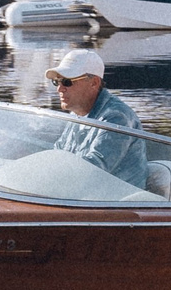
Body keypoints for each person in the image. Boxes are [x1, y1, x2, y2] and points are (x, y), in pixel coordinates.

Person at [45, 48, 149, 189]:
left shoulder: (117, 117)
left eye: (67, 82)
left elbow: (95, 170)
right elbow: (57, 155)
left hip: (117, 204)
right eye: (57, 82)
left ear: (94, 83)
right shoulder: (77, 114)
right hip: (85, 197)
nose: (60, 89)